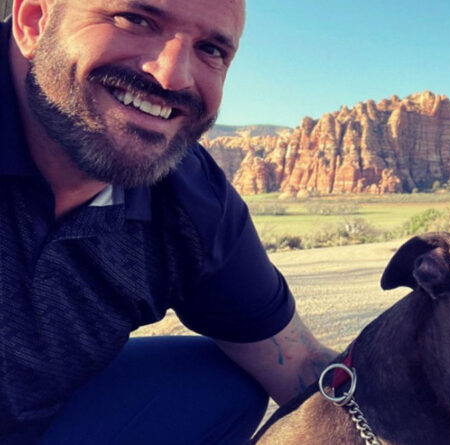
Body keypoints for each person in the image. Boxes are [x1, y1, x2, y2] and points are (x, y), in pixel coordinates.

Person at [0, 0, 338, 443]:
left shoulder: (194, 202)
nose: (172, 76)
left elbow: (301, 368)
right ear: (34, 21)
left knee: (219, 384)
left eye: (212, 49)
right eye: (135, 20)